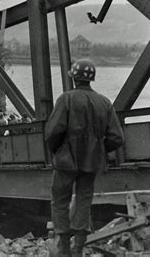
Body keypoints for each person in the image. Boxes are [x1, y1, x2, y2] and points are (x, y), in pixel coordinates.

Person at [45, 59, 124, 257]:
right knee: (84, 200)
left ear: (74, 78)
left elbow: (53, 132)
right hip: (91, 161)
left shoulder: (66, 99)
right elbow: (117, 137)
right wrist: (99, 149)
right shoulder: (104, 102)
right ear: (91, 80)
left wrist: (58, 150)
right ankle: (79, 247)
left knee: (59, 200)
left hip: (66, 160)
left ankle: (64, 247)